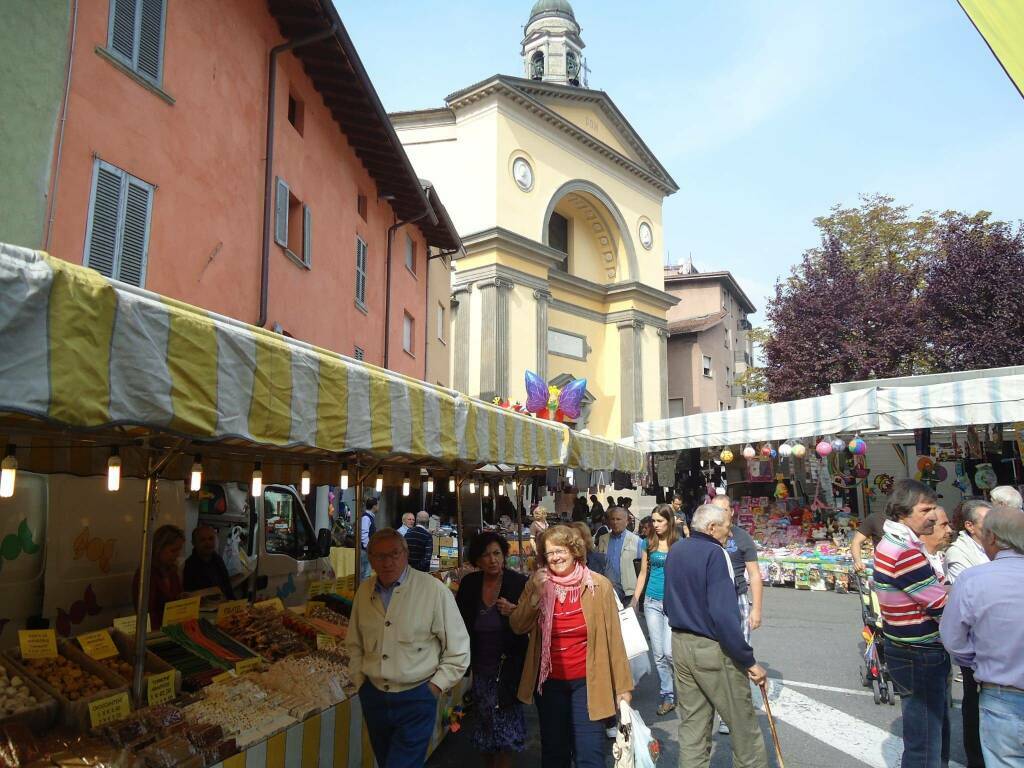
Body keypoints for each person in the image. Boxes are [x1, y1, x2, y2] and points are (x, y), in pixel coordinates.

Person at [510, 525, 632, 768]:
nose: (555, 557)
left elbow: (614, 640)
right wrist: (535, 594)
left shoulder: (598, 585)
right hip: (550, 683)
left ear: (574, 550)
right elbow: (517, 625)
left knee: (590, 753)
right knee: (555, 753)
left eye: (560, 550)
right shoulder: (536, 583)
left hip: (588, 682)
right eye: (549, 553)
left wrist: (623, 687)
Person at [347, 529, 470, 768]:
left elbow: (459, 649)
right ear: (370, 559)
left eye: (394, 554)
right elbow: (354, 643)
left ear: (406, 554)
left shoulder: (433, 590)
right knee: (386, 762)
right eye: (379, 556)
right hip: (374, 697)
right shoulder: (364, 592)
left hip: (416, 696)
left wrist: (434, 689)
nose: (388, 562)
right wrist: (361, 682)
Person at [664, 504, 769, 768]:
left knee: (692, 728)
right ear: (711, 528)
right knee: (743, 727)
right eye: (726, 528)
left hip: (680, 642)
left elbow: (668, 602)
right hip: (711, 647)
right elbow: (724, 615)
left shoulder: (677, 549)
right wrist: (748, 660)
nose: (729, 534)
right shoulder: (715, 553)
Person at [872, 479, 949, 768]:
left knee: (929, 731)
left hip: (908, 648)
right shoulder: (904, 551)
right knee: (925, 742)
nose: (933, 515)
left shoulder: (895, 543)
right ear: (903, 513)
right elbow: (938, 603)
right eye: (926, 509)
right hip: (920, 652)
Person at [941, 506, 1024, 768]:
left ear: (991, 538)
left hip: (1003, 694)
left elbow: (953, 640)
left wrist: (979, 661)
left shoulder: (973, 579)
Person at [455, 532, 529, 767]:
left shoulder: (518, 582)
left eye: (497, 553)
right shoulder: (469, 584)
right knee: (485, 730)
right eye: (486, 555)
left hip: (507, 669)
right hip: (480, 669)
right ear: (477, 560)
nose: (492, 560)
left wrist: (515, 611)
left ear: (504, 555)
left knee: (506, 734)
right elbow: (460, 623)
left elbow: (529, 620)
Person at [710, 493, 764, 735]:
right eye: (715, 510)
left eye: (724, 510)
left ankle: (735, 711)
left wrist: (757, 609)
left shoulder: (742, 538)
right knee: (715, 656)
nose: (721, 514)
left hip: (738, 599)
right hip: (710, 602)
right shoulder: (706, 536)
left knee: (739, 656)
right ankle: (722, 710)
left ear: (732, 512)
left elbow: (754, 575)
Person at [945, 499, 994, 768]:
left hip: (999, 642)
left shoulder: (995, 546)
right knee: (975, 703)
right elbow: (963, 599)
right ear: (970, 526)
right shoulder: (958, 553)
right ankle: (976, 756)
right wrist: (968, 658)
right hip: (977, 645)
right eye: (987, 522)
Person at [631, 505, 679, 716]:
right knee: (658, 654)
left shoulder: (679, 543)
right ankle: (667, 695)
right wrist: (635, 599)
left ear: (669, 521)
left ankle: (686, 690)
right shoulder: (647, 542)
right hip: (651, 601)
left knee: (670, 653)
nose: (656, 525)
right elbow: (642, 574)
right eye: (653, 521)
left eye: (660, 521)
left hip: (674, 603)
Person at [132, 524, 185, 631]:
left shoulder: (172, 571)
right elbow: (146, 614)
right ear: (158, 548)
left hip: (173, 628)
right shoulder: (145, 575)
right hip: (155, 632)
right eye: (173, 550)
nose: (177, 555)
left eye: (179, 550)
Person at [596, 507, 643, 602]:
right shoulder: (602, 539)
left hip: (629, 594)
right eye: (612, 519)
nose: (615, 522)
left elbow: (643, 570)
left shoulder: (637, 541)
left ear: (626, 521)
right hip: (606, 591)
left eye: (618, 519)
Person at [182, 524, 234, 599]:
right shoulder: (190, 565)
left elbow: (227, 587)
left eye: (211, 538)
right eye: (202, 540)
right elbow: (190, 594)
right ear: (194, 543)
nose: (208, 543)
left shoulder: (218, 560)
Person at [919, 506, 954, 582]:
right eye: (944, 525)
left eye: (949, 525)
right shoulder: (916, 562)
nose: (950, 530)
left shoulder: (947, 557)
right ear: (926, 527)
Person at [851, 508, 889, 572]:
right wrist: (858, 561)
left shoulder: (908, 519)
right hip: (882, 570)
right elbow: (856, 541)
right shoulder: (875, 518)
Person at [360, 498, 378, 579]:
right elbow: (363, 534)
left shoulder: (369, 517)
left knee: (366, 574)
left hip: (367, 550)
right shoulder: (366, 518)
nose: (378, 507)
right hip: (365, 551)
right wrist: (368, 547)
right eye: (378, 505)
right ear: (374, 506)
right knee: (365, 575)